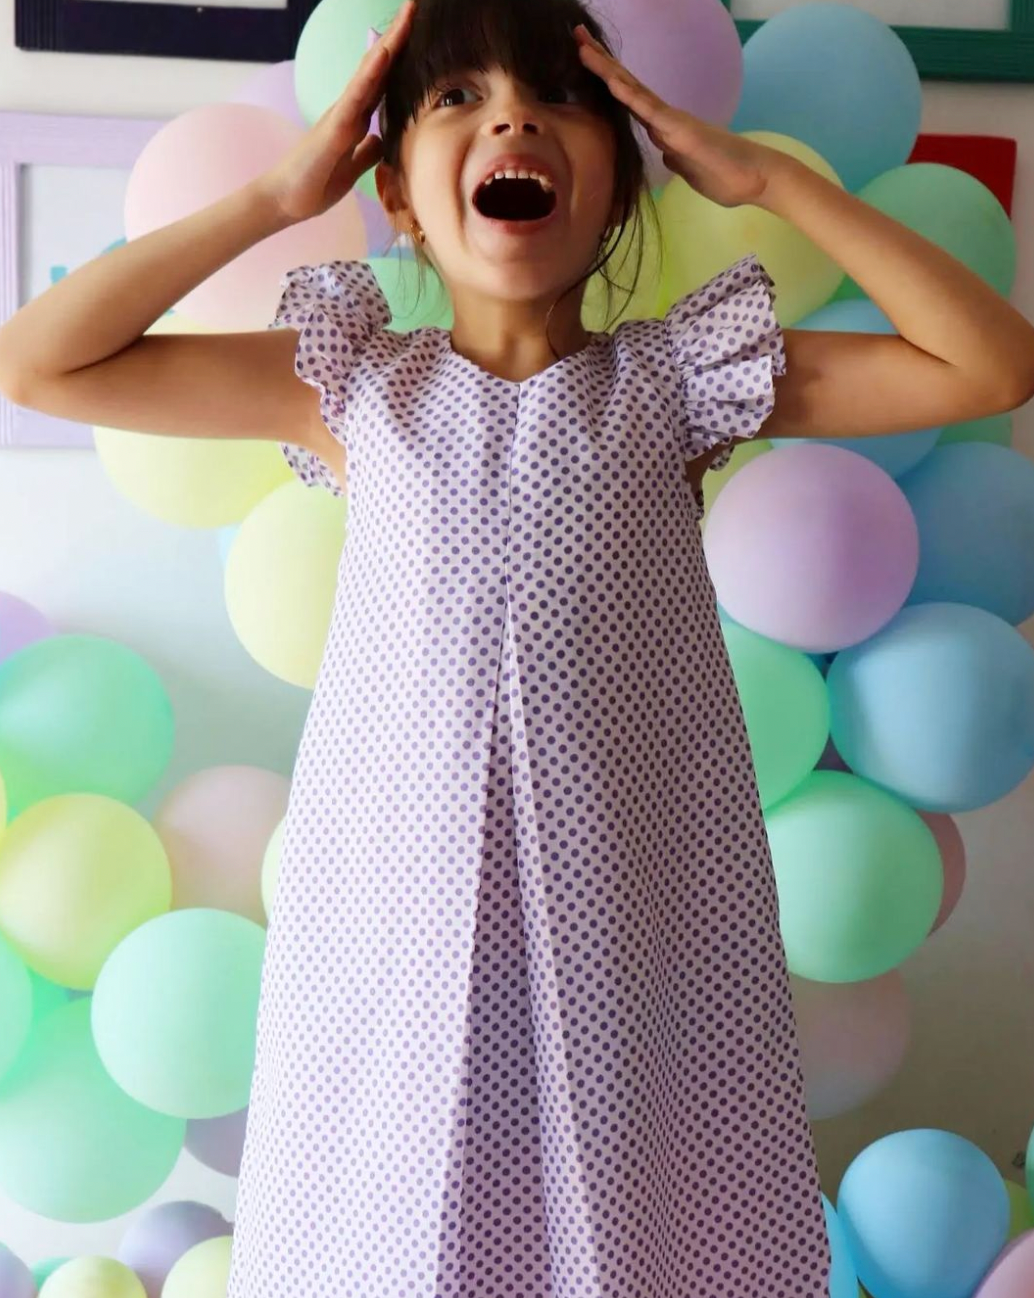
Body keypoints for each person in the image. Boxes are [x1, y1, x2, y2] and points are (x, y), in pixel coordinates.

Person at [2, 0, 1033, 1292]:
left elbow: (988, 362)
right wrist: (277, 194)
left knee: (633, 1217)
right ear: (398, 193)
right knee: (389, 1219)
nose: (508, 116)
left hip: (628, 918)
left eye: (556, 95)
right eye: (455, 98)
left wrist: (762, 177)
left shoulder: (677, 383)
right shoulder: (351, 385)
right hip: (394, 923)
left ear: (614, 184)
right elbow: (41, 362)